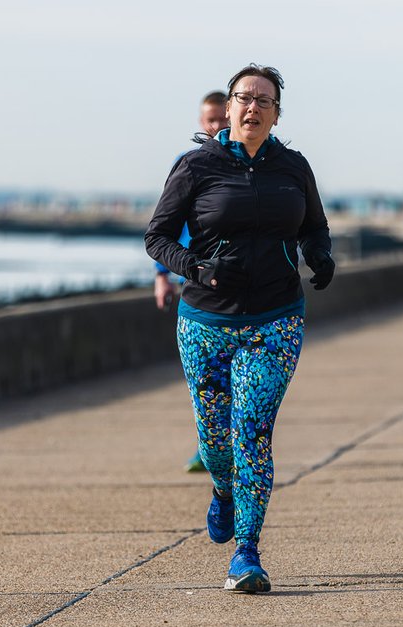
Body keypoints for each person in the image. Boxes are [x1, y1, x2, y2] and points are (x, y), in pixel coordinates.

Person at [145, 64, 334, 593]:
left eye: (264, 101)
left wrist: (320, 254)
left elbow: (314, 226)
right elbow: (157, 238)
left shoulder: (294, 168)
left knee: (252, 431)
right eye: (243, 98)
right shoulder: (195, 166)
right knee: (214, 439)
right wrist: (195, 269)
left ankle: (247, 554)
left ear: (277, 114)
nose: (253, 108)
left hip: (275, 320)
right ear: (227, 110)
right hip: (205, 321)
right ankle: (223, 491)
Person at [152, 90, 229, 474]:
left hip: (237, 285)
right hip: (193, 277)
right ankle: (209, 444)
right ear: (202, 123)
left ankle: (223, 446)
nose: (216, 126)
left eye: (221, 119)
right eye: (210, 120)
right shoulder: (189, 165)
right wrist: (162, 276)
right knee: (204, 378)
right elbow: (164, 230)